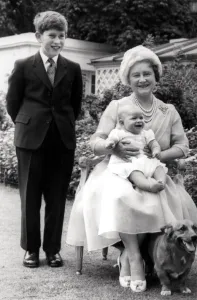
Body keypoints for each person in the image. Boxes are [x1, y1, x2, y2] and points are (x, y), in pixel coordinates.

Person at [66, 45, 197, 293]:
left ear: (155, 76)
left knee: (158, 196)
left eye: (147, 73)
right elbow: (95, 141)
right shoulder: (117, 107)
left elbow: (183, 146)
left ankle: (149, 255)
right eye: (136, 74)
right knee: (123, 196)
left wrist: (161, 154)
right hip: (116, 170)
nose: (142, 79)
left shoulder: (167, 110)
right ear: (128, 79)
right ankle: (133, 257)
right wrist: (113, 150)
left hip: (153, 170)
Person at [6, 11, 83, 268]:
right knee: (29, 196)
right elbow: (13, 104)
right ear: (39, 36)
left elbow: (75, 105)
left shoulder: (73, 68)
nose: (58, 41)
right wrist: (29, 123)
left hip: (62, 141)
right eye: (52, 35)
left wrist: (61, 125)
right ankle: (30, 249)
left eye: (62, 36)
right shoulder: (23, 66)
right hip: (29, 140)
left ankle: (52, 250)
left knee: (57, 196)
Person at [106, 104, 167, 193]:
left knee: (159, 167)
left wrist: (156, 150)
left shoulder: (146, 133)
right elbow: (113, 139)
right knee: (135, 173)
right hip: (127, 162)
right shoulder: (119, 133)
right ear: (122, 122)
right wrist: (111, 143)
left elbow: (154, 143)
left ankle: (161, 182)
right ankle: (149, 186)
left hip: (145, 161)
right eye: (134, 118)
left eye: (141, 118)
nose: (139, 121)